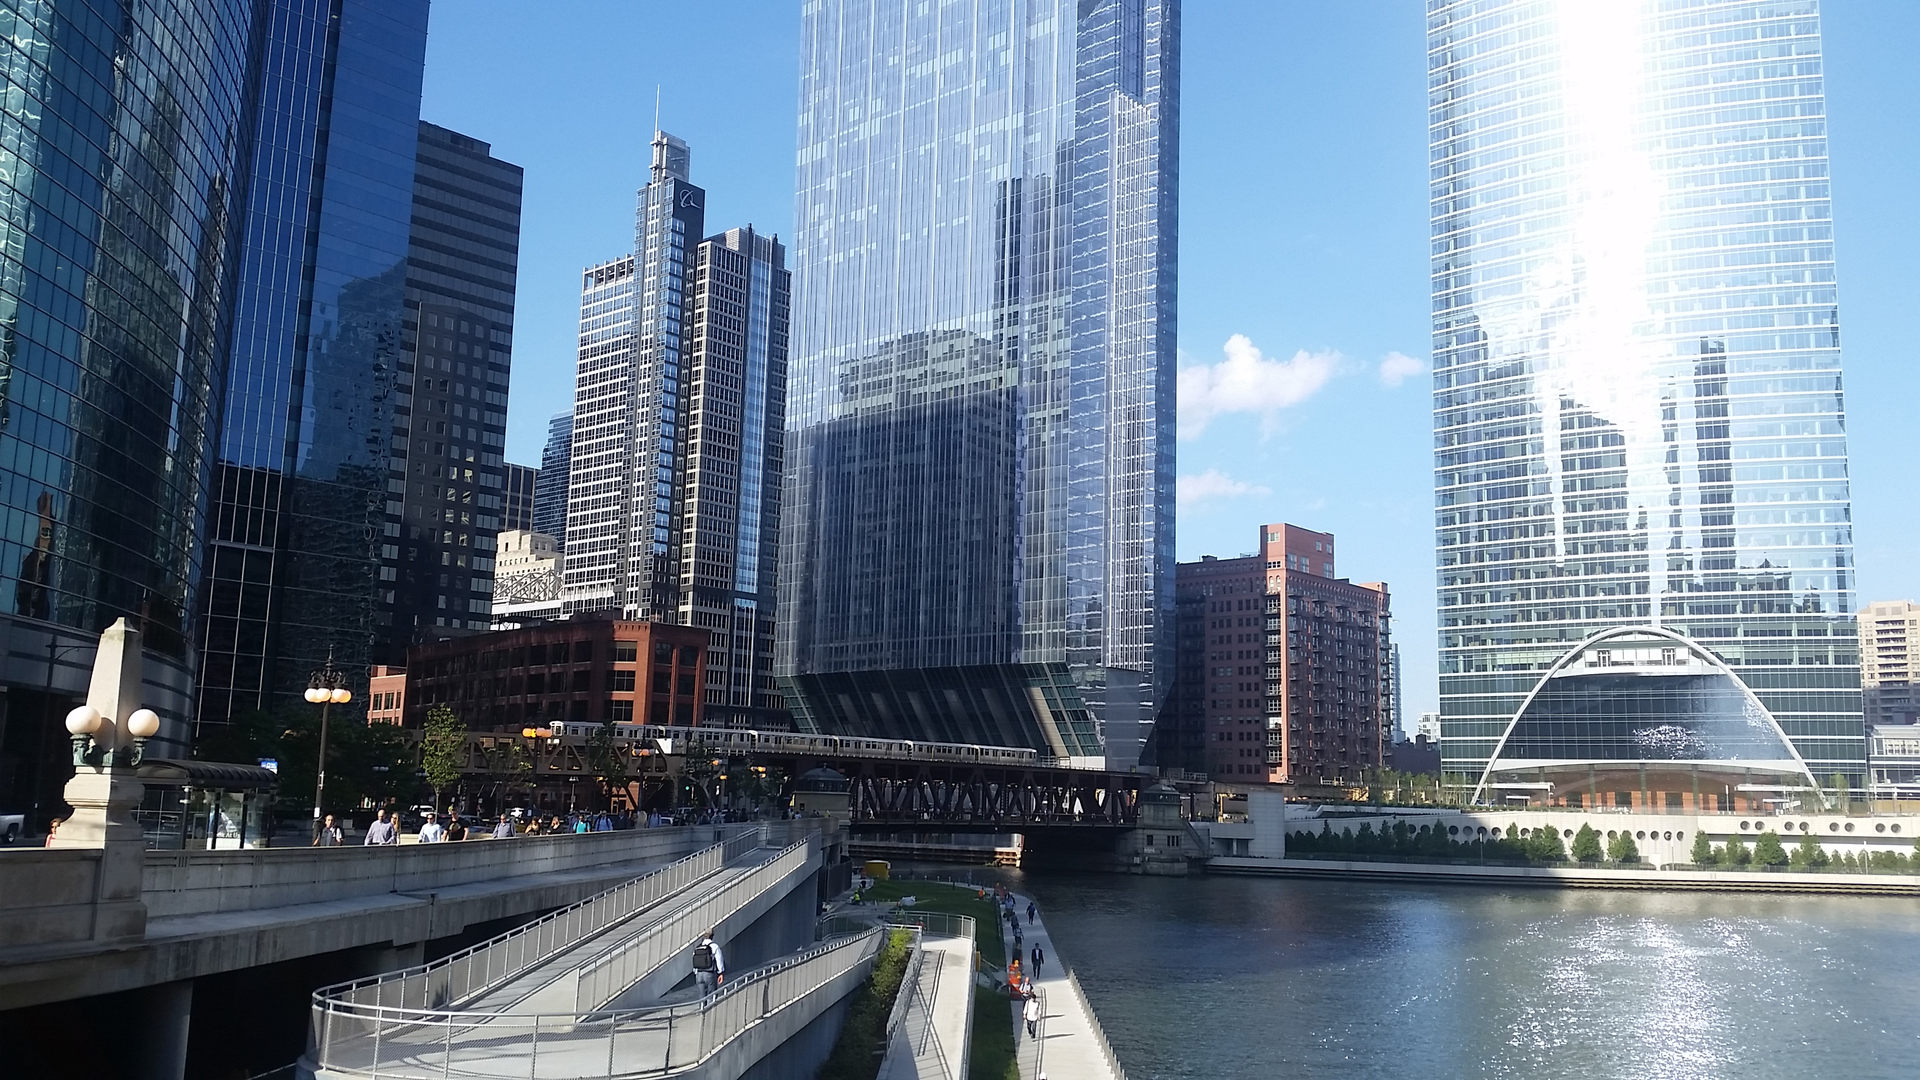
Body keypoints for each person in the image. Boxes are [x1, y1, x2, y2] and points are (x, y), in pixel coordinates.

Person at [692, 929, 726, 996]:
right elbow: (719, 960)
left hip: (699, 974)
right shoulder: (715, 946)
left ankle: (702, 1006)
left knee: (702, 997)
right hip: (709, 974)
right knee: (711, 996)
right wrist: (721, 973)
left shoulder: (698, 947)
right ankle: (710, 1006)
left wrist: (696, 973)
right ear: (712, 936)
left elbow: (694, 960)